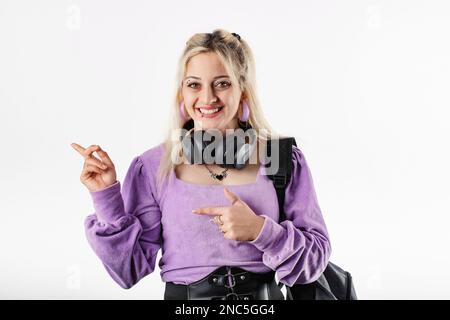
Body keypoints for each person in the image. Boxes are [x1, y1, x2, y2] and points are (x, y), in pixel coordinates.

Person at [71, 29, 332, 300]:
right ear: (181, 92)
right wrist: (106, 198)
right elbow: (129, 271)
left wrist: (261, 231)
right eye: (194, 84)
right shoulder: (152, 167)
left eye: (222, 83)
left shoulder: (281, 158)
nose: (207, 98)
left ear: (242, 89)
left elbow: (315, 261)